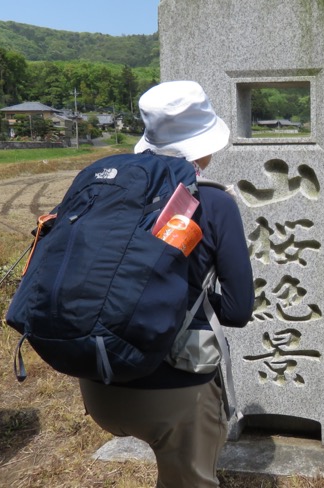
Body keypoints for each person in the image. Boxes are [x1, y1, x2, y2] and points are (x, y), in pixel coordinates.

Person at [79, 80, 254, 488]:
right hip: (175, 393)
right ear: (203, 146)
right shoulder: (213, 204)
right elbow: (238, 311)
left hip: (98, 382)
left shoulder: (108, 191)